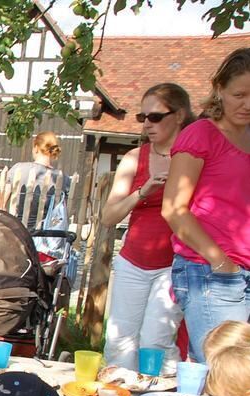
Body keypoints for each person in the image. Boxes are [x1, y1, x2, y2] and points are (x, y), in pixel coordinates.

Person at [163, 47, 250, 363]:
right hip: (212, 272)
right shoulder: (202, 134)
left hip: (248, 270)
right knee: (219, 377)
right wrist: (220, 263)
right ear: (219, 89)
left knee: (244, 385)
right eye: (239, 94)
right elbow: (173, 208)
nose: (248, 104)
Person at [100, 84, 194, 377]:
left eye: (155, 116)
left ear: (179, 115)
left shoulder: (194, 158)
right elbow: (107, 217)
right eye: (143, 117)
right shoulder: (133, 158)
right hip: (133, 260)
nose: (146, 124)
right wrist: (143, 190)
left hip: (174, 263)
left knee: (156, 339)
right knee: (119, 338)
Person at [0, 130, 70, 249]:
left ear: (36, 148)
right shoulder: (63, 179)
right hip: (46, 238)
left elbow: (1, 206)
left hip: (16, 233)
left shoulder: (18, 169)